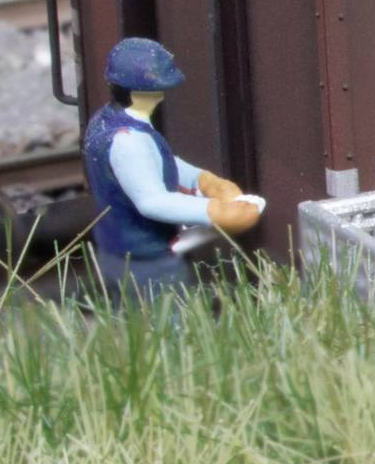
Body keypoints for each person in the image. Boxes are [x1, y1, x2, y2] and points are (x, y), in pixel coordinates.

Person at [83, 37, 263, 299]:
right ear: (146, 90)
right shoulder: (128, 140)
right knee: (169, 325)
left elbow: (152, 162)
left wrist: (201, 181)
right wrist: (215, 212)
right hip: (144, 259)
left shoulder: (109, 121)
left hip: (122, 248)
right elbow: (152, 201)